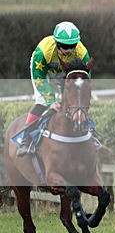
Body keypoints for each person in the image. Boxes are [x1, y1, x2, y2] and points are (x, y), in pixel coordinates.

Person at [17, 21, 92, 156]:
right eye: (64, 46)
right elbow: (39, 78)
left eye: (72, 46)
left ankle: (88, 131)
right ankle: (26, 139)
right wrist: (51, 101)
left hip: (65, 72)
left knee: (77, 100)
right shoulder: (43, 52)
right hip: (43, 71)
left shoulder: (82, 52)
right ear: (57, 43)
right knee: (43, 103)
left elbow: (85, 77)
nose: (69, 49)